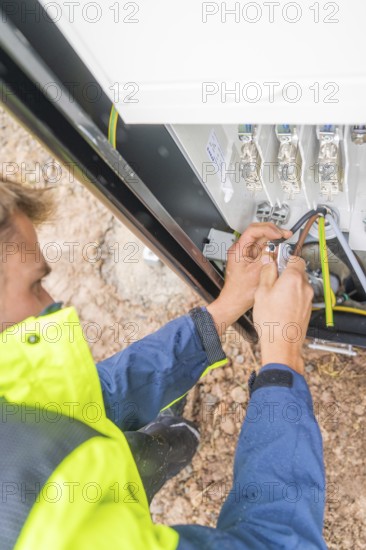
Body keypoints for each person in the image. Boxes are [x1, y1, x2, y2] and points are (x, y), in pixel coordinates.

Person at [0, 179, 326, 549]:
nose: (52, 303)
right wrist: (282, 361)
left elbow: (84, 401)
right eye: (35, 284)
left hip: (99, 480)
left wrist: (223, 310)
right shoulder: (49, 529)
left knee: (135, 455)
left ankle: (159, 451)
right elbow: (278, 543)